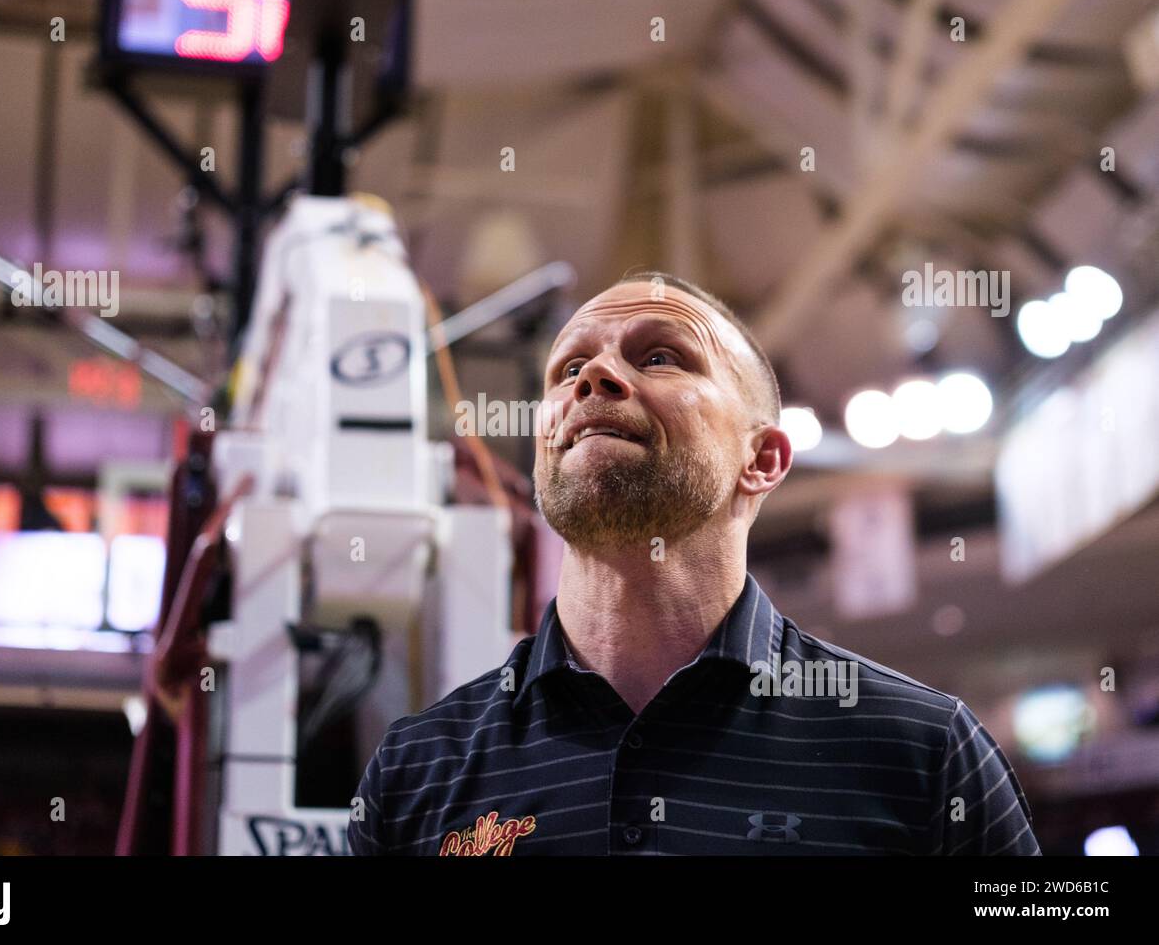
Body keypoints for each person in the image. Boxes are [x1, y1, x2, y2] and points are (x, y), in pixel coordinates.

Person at [348, 271, 1039, 856]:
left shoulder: (923, 751)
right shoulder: (415, 768)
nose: (594, 376)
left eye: (659, 358)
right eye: (567, 369)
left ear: (761, 459)